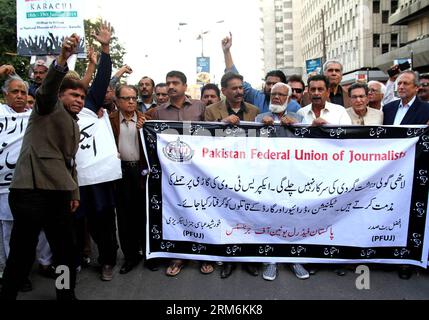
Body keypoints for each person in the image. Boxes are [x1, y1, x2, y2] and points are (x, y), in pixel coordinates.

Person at [0, 34, 83, 300]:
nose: (80, 99)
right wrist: (62, 58)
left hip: (58, 194)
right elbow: (46, 90)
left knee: (65, 252)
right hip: (30, 191)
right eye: (74, 94)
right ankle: (8, 293)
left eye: (83, 96)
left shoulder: (74, 123)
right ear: (60, 95)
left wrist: (73, 193)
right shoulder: (47, 108)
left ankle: (65, 294)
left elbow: (69, 164)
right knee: (22, 252)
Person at [205, 72, 260, 279]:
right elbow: (205, 140)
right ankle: (228, 259)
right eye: (234, 88)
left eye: (241, 87)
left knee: (247, 216)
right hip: (223, 172)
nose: (239, 91)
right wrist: (222, 123)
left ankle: (248, 259)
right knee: (226, 216)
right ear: (224, 91)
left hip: (248, 172)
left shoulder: (254, 110)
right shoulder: (212, 111)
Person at [152, 71, 205, 276]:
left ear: (185, 86)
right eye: (168, 83)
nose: (171, 86)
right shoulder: (158, 112)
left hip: (199, 171)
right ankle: (178, 256)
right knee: (177, 212)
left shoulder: (200, 107)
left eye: (175, 83)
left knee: (202, 211)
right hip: (172, 173)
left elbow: (212, 133)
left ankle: (203, 254)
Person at [109, 84, 157, 274]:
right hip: (120, 173)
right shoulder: (109, 120)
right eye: (126, 98)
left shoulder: (146, 120)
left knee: (145, 215)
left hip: (142, 172)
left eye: (133, 98)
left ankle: (149, 254)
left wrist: (143, 130)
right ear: (117, 101)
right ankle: (130, 257)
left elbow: (154, 146)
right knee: (124, 216)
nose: (130, 101)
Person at [222, 32, 301, 114]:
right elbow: (234, 77)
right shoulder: (257, 97)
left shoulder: (295, 107)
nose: (271, 87)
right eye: (268, 83)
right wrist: (227, 52)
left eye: (275, 84)